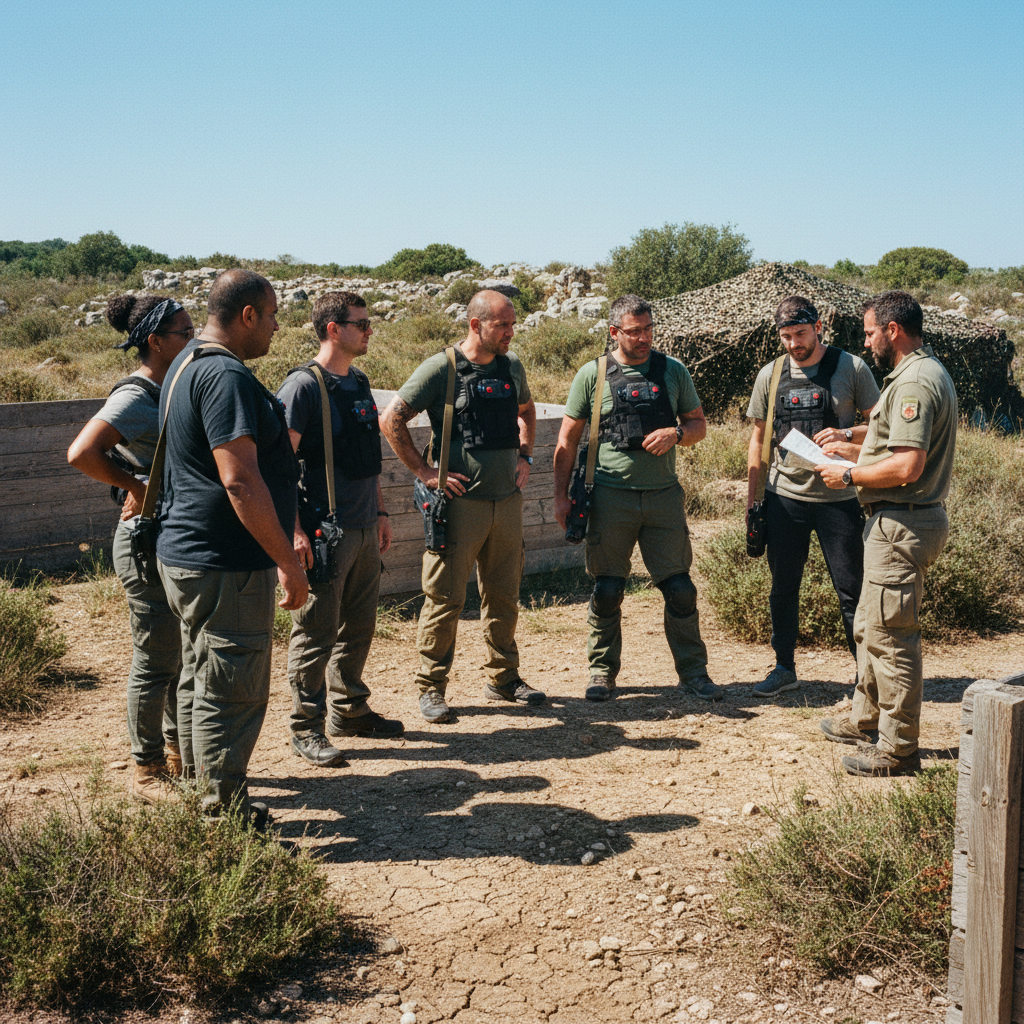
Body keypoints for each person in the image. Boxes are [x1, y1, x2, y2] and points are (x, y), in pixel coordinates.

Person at [156, 269, 308, 825]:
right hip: (225, 562)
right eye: (271, 316)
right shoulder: (225, 376)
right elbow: (239, 480)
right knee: (233, 686)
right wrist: (287, 560)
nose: (275, 327)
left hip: (190, 554)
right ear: (247, 315)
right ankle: (221, 813)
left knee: (202, 675)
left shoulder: (186, 363)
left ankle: (200, 792)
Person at [381, 289, 543, 723]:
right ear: (476, 325)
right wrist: (425, 472)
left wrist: (525, 456)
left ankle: (503, 679)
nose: (510, 333)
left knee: (504, 596)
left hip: (506, 504)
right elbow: (391, 419)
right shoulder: (442, 368)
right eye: (502, 325)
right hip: (458, 506)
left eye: (513, 324)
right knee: (445, 599)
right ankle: (431, 687)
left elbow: (527, 411)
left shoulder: (511, 366)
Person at [553, 294, 720, 702]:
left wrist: (676, 434)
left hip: (663, 497)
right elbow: (566, 441)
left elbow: (698, 425)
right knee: (608, 589)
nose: (644, 338)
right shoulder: (592, 375)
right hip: (610, 497)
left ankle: (694, 673)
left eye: (648, 329)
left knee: (680, 589)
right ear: (614, 332)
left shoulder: (672, 371)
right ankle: (601, 671)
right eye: (634, 331)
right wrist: (560, 497)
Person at [816, 291, 957, 776]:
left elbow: (907, 465)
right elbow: (894, 450)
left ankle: (897, 750)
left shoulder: (914, 382)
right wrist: (851, 447)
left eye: (870, 332)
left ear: (892, 330)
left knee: (891, 638)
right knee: (870, 627)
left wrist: (849, 475)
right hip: (898, 520)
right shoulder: (918, 372)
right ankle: (866, 719)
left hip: (902, 522)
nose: (866, 342)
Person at [67, 294, 193, 803]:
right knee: (156, 655)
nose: (193, 340)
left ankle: (177, 754)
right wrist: (135, 486)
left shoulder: (174, 386)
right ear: (155, 342)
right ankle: (147, 769)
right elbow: (81, 452)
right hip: (143, 539)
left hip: (171, 534)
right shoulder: (137, 395)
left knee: (179, 651)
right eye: (184, 333)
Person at [276, 291, 403, 767]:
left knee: (359, 626)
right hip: (324, 532)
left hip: (364, 525)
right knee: (316, 633)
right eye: (361, 324)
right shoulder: (302, 387)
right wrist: (293, 532)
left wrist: (382, 513)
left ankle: (349, 710)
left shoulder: (359, 382)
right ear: (333, 329)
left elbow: (368, 460)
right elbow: (278, 468)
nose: (370, 330)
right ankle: (305, 727)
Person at [746, 295, 880, 698]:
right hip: (784, 497)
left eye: (801, 334)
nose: (794, 344)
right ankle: (783, 668)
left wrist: (846, 434)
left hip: (840, 499)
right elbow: (758, 439)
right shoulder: (770, 375)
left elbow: (881, 426)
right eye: (786, 336)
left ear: (818, 327)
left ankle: (866, 676)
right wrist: (753, 502)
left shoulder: (851, 367)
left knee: (852, 590)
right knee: (783, 587)